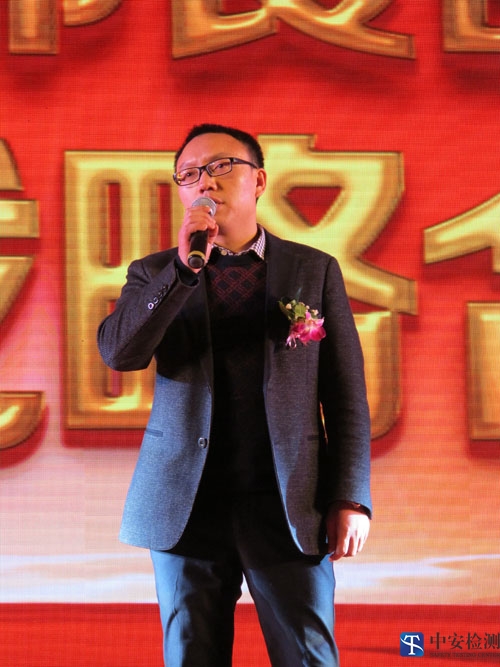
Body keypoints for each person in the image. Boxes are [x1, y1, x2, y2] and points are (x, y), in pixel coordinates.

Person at [97, 123, 372, 667]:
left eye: (222, 166)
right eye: (189, 174)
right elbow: (119, 353)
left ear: (259, 181)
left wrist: (351, 497)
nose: (206, 182)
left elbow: (346, 395)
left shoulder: (313, 270)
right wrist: (181, 271)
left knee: (309, 655)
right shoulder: (154, 273)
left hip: (287, 503)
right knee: (191, 655)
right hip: (186, 506)